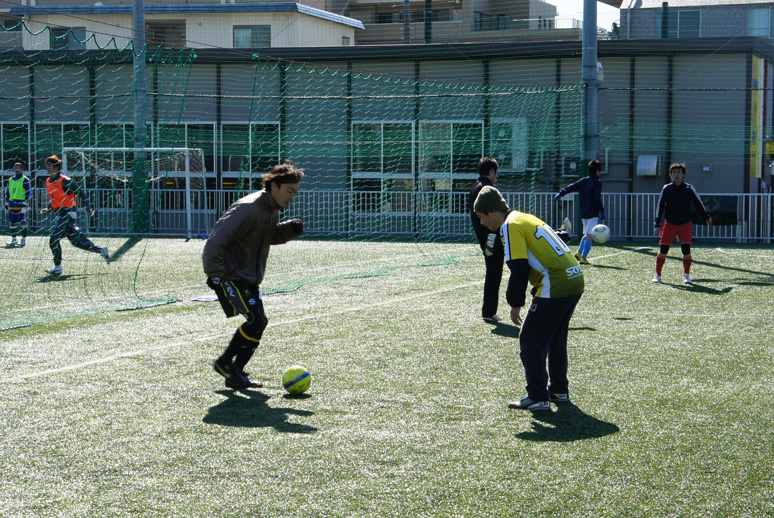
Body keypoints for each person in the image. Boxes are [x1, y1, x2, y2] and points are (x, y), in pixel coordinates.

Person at [475, 186, 584, 411]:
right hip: (575, 277)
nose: (482, 223)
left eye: (481, 217)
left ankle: (538, 396)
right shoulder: (524, 217)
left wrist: (515, 303)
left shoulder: (509, 225)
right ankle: (559, 390)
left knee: (530, 339)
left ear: (492, 212)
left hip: (557, 281)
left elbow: (519, 266)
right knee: (555, 338)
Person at [202, 161, 305, 389]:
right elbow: (216, 239)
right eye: (289, 191)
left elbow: (267, 236)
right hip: (230, 274)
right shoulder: (248, 207)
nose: (292, 197)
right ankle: (225, 363)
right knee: (256, 320)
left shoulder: (271, 208)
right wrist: (216, 274)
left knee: (259, 322)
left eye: (295, 193)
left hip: (247, 276)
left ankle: (235, 373)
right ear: (274, 186)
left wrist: (289, 229)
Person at [39, 155, 109, 276]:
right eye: (47, 165)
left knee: (53, 239)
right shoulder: (48, 181)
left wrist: (88, 208)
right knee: (77, 242)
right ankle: (101, 250)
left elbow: (81, 193)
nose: (47, 167)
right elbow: (55, 198)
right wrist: (49, 209)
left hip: (68, 213)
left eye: (49, 165)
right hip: (61, 215)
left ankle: (57, 268)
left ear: (56, 167)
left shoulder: (65, 181)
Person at [653, 162, 712, 284]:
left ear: (684, 175)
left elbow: (698, 204)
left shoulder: (689, 188)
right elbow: (660, 206)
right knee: (663, 250)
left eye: (679, 172)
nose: (676, 175)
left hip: (685, 224)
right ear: (670, 175)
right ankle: (657, 275)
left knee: (686, 251)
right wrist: (657, 224)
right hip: (670, 224)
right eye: (674, 173)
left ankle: (686, 275)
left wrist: (706, 217)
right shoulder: (666, 189)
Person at [469, 156, 504, 323]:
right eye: (495, 172)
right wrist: (491, 238)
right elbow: (491, 216)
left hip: (486, 239)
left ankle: (489, 310)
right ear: (491, 171)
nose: (496, 176)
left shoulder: (475, 186)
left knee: (493, 274)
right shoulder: (486, 188)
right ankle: (489, 311)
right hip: (492, 238)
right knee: (494, 274)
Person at [554, 159, 605, 265]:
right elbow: (596, 199)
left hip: (583, 212)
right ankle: (584, 258)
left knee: (587, 234)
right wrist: (602, 210)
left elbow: (572, 186)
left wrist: (561, 193)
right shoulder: (597, 183)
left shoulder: (584, 180)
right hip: (592, 212)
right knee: (590, 236)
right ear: (597, 171)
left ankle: (578, 253)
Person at [5, 162, 32, 247]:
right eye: (15, 168)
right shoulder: (10, 180)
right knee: (12, 222)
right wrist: (6, 203)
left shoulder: (25, 179)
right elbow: (7, 192)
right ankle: (14, 239)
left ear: (22, 169)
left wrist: (25, 204)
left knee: (23, 221)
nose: (17, 169)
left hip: (21, 204)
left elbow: (29, 192)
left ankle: (23, 239)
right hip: (12, 203)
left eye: (19, 168)